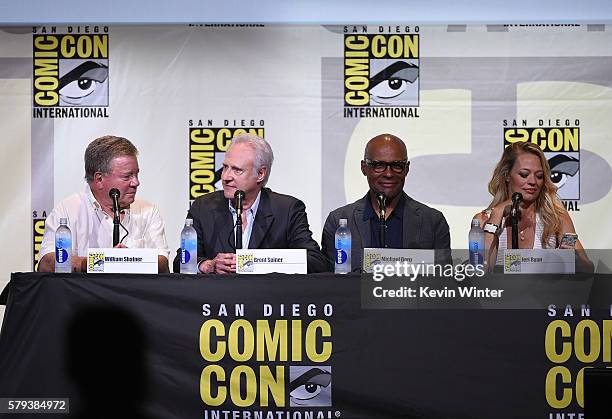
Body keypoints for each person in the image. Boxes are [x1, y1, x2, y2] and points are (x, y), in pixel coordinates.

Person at [176, 134, 327, 274]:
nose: (226, 177)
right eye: (225, 167)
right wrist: (207, 265)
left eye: (237, 170)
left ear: (260, 174)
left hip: (267, 299)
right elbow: (179, 262)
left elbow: (315, 262)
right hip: (216, 299)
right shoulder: (203, 207)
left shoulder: (287, 210)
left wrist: (256, 262)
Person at [38, 135, 170, 273]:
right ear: (99, 179)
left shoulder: (147, 211)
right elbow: (47, 262)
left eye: (136, 174)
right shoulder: (67, 210)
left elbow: (163, 263)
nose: (136, 182)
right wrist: (102, 262)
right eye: (127, 176)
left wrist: (130, 260)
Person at [322, 133, 451, 272]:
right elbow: (329, 283)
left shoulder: (432, 221)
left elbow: (443, 281)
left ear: (406, 169)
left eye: (397, 166)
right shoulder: (338, 220)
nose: (388, 174)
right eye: (379, 165)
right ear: (364, 168)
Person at [473, 141, 593, 272]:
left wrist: (570, 257)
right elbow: (481, 271)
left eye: (539, 176)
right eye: (524, 174)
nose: (533, 182)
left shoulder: (556, 216)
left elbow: (587, 267)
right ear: (507, 175)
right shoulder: (483, 220)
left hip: (545, 292)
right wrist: (497, 214)